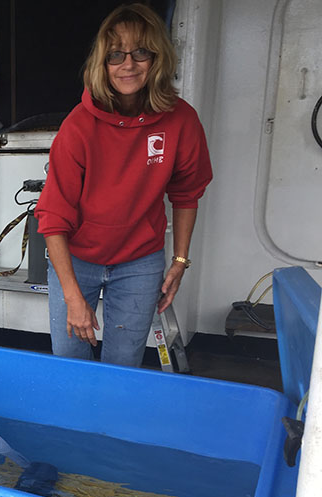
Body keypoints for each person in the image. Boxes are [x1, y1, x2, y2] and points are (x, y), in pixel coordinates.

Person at [33, 2, 212, 368]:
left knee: (124, 363)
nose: (127, 64)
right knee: (69, 360)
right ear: (103, 62)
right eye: (116, 55)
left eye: (140, 52)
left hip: (139, 261)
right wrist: (72, 296)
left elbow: (186, 193)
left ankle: (108, 425)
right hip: (78, 257)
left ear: (157, 57)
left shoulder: (182, 120)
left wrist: (179, 260)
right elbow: (52, 217)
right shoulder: (79, 126)